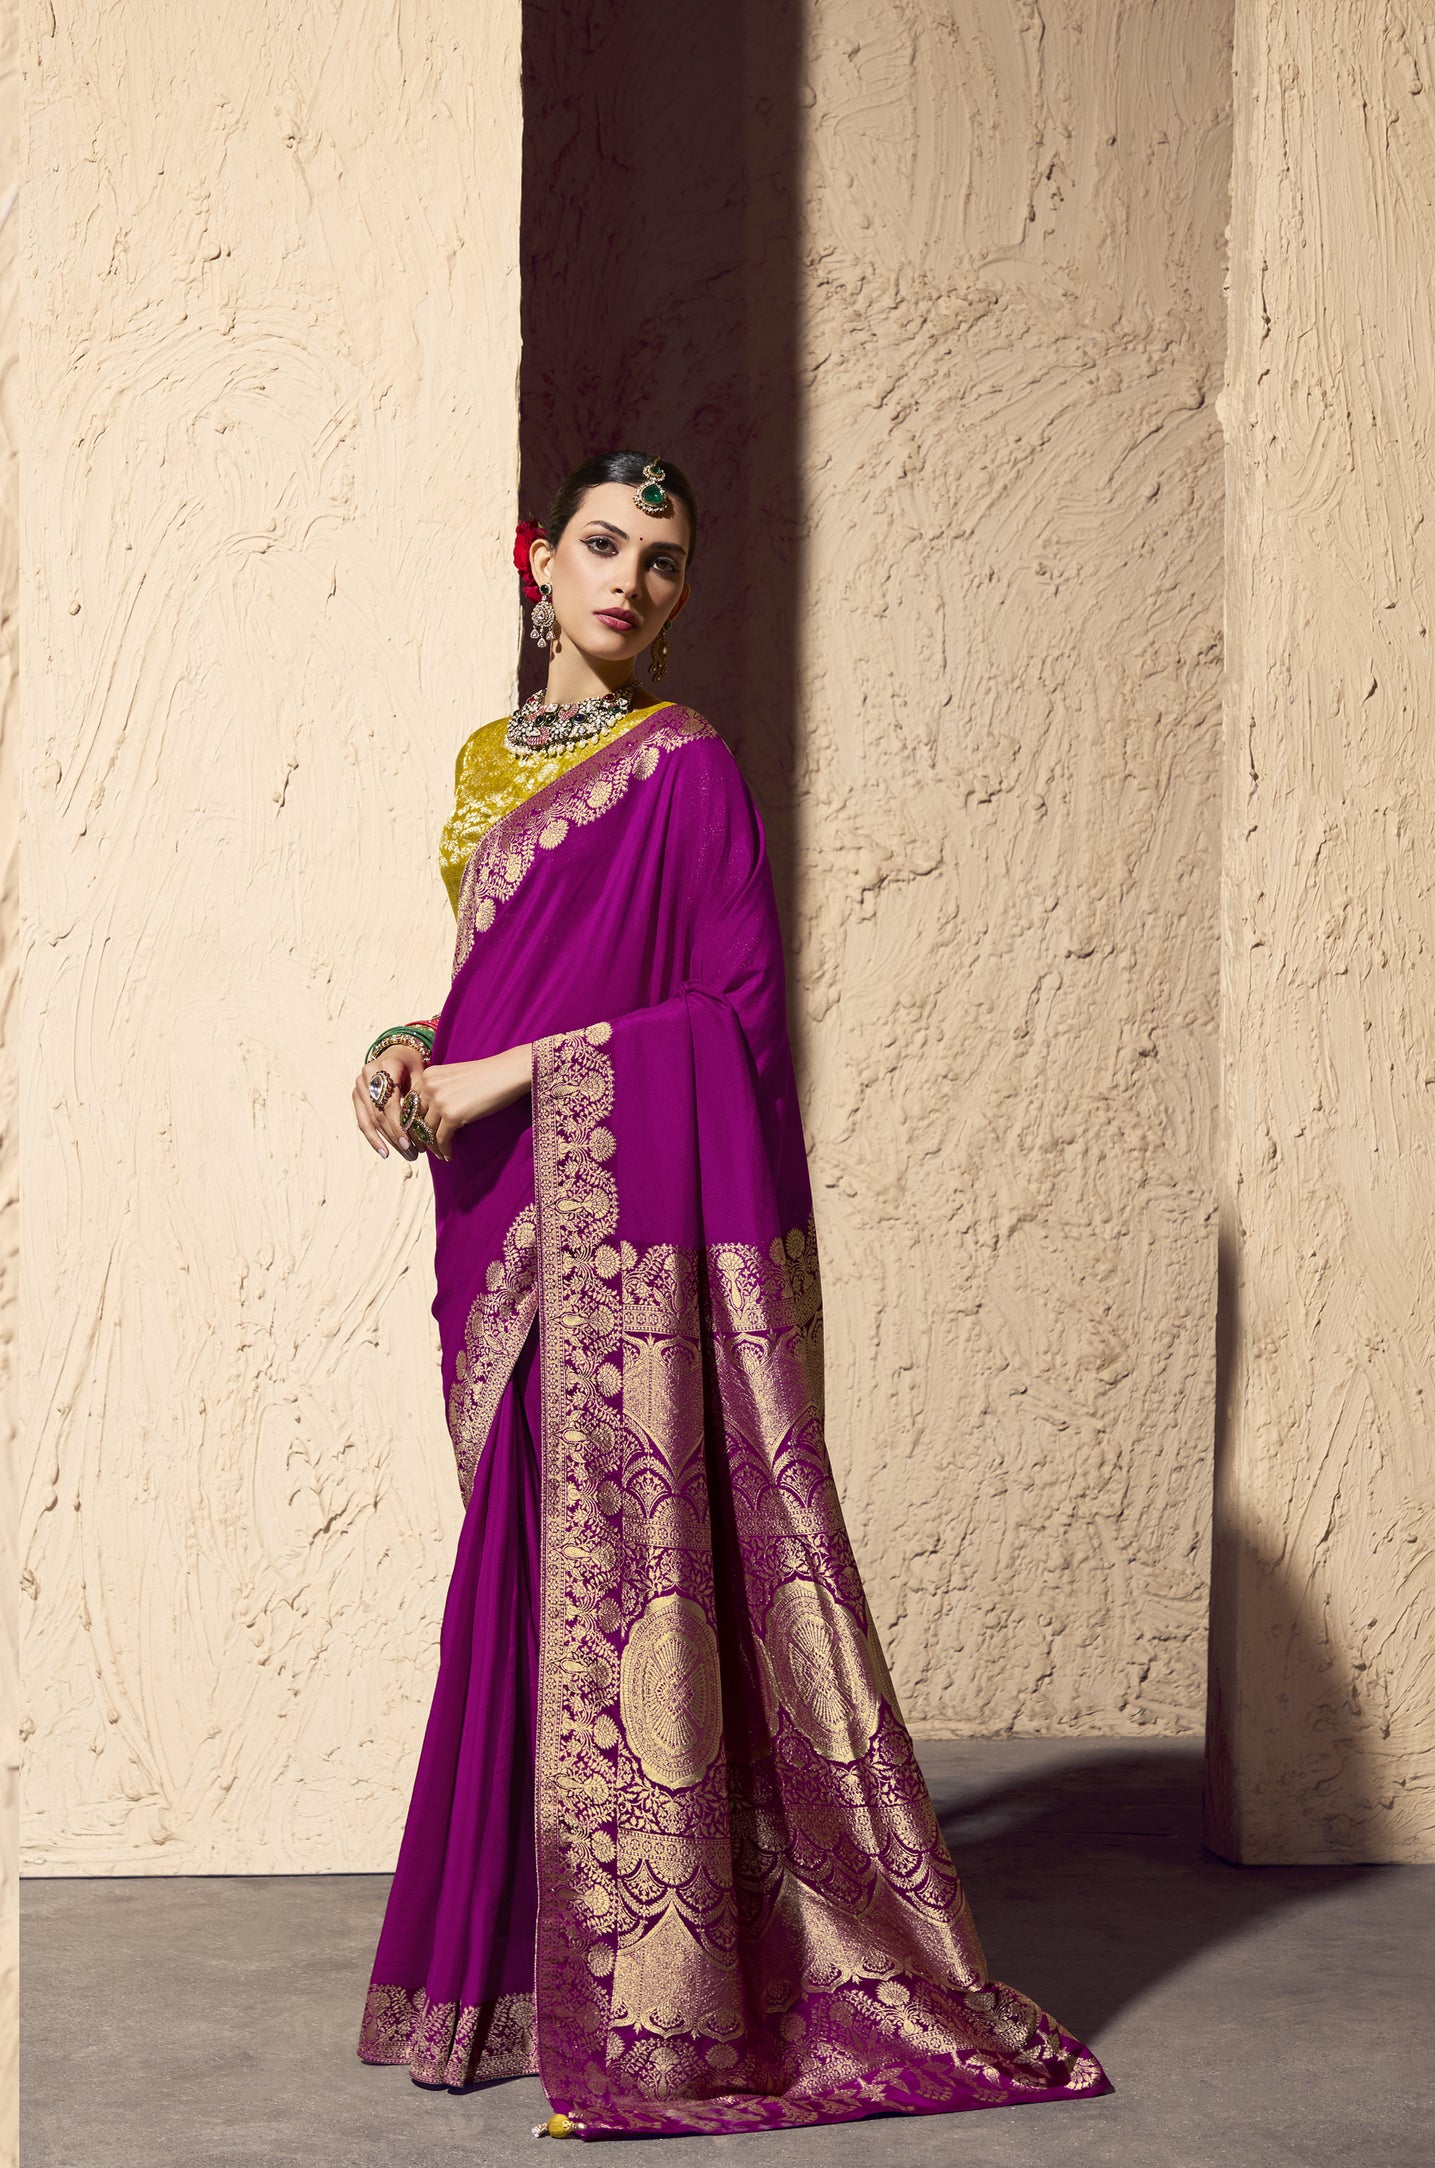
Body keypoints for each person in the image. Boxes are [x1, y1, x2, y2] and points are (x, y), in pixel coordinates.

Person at [349, 450, 1110, 2139]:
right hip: (505, 1219)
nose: (630, 581)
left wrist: (502, 1080)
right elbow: (490, 987)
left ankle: (663, 2008)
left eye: (666, 561)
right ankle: (494, 1984)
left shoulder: (689, 771)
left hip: (621, 1234)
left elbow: (729, 1032)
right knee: (520, 1594)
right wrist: (414, 1047)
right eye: (604, 547)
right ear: (534, 559)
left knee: (613, 1599)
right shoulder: (488, 765)